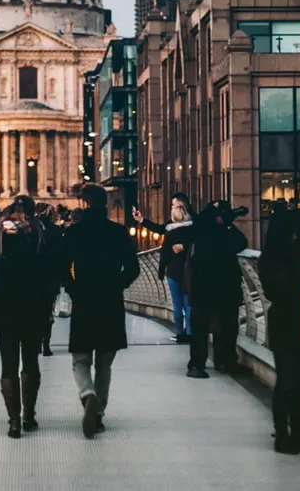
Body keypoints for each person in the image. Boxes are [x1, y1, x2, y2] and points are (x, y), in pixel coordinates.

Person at [60, 183, 140, 438]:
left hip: (84, 302)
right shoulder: (118, 232)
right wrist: (118, 284)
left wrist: (74, 289)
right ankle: (98, 415)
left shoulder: (74, 233)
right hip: (110, 302)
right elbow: (133, 268)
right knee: (104, 364)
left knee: (80, 360)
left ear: (84, 204)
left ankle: (87, 394)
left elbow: (63, 267)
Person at [0, 195, 57, 439]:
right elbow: (52, 272)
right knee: (31, 360)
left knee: (8, 363)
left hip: (3, 308)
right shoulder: (40, 236)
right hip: (33, 308)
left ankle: (13, 421)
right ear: (32, 212)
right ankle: (29, 415)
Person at [257, 201, 300, 454]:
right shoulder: (271, 257)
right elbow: (282, 286)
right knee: (287, 380)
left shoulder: (297, 252)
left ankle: (297, 434)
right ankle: (282, 435)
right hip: (285, 323)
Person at [186, 199, 248, 379]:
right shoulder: (211, 231)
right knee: (218, 326)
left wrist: (226, 225)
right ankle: (219, 362)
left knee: (216, 327)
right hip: (216, 287)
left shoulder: (202, 228)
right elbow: (240, 243)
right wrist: (228, 226)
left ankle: (203, 364)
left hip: (208, 288)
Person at [132, 194, 194, 342]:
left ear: (180, 206)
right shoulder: (194, 227)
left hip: (173, 271)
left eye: (173, 205)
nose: (171, 207)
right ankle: (190, 333)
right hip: (190, 270)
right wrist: (142, 220)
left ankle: (179, 333)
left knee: (177, 304)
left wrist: (161, 271)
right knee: (188, 304)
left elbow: (164, 250)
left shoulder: (170, 231)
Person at [36, 203, 64, 356]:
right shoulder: (56, 231)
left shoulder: (31, 229)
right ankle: (46, 344)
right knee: (48, 310)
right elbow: (61, 255)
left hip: (33, 278)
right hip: (51, 278)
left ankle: (35, 342)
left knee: (34, 311)